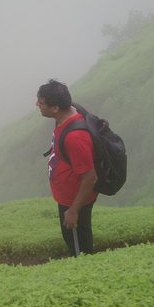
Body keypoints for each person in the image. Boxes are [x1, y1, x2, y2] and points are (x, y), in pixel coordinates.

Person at [36, 79, 98, 256]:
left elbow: (91, 177)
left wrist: (73, 211)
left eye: (41, 103)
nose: (37, 105)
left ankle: (83, 274)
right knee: (71, 237)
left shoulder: (75, 138)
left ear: (55, 108)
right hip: (67, 197)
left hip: (75, 199)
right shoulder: (66, 115)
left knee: (80, 245)